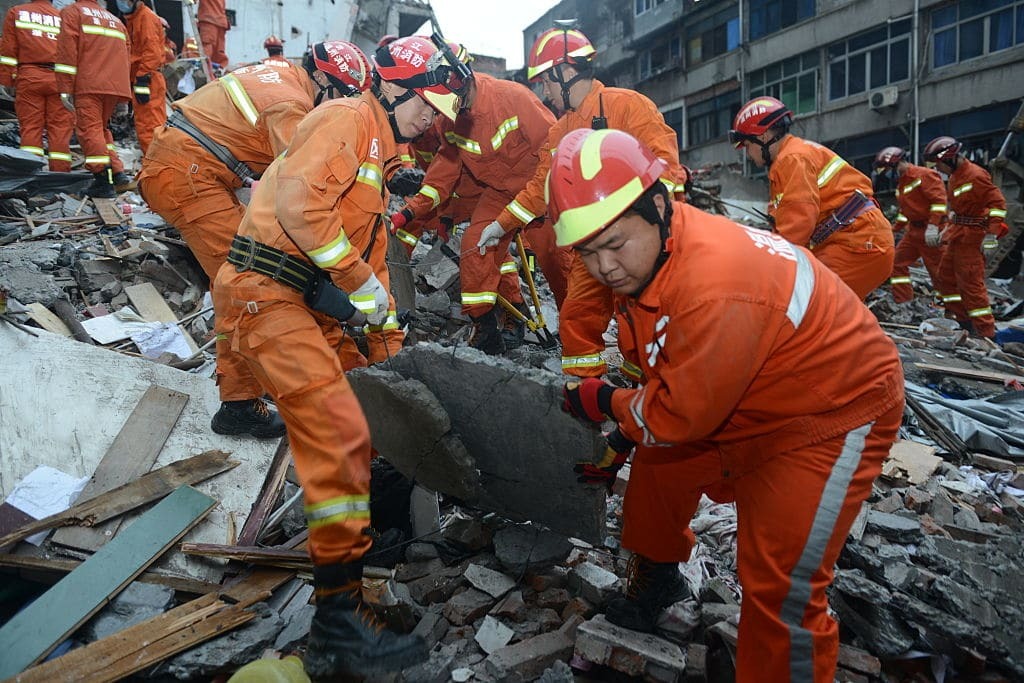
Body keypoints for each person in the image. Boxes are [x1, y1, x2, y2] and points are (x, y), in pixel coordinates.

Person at [552, 129, 904, 683]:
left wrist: (605, 403)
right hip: (741, 394)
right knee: (656, 479)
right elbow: (671, 379)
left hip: (827, 411)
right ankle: (658, 581)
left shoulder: (714, 283)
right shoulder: (654, 253)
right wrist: (625, 436)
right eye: (588, 254)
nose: (605, 268)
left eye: (615, 245)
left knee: (780, 584)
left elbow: (676, 416)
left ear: (661, 206)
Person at [212, 36, 459, 678]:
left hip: (300, 300)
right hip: (267, 293)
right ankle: (337, 624)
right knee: (338, 433)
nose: (432, 120)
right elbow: (299, 207)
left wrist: (401, 377)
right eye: (428, 105)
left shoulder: (377, 159)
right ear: (397, 86)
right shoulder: (347, 118)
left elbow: (375, 304)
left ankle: (350, 586)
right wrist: (358, 281)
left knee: (362, 414)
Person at [139, 41, 372, 438]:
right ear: (321, 79)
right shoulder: (291, 108)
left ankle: (240, 401)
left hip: (188, 166)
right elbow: (303, 189)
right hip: (187, 174)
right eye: (338, 96)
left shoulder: (283, 75)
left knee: (238, 281)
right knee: (254, 280)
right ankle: (247, 405)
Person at [481, 25, 689, 379]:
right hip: (591, 247)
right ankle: (585, 398)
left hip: (638, 243)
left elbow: (667, 171)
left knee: (638, 326)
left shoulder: (628, 106)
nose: (544, 93)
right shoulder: (559, 132)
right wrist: (499, 225)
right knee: (576, 318)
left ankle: (642, 398)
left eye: (545, 81)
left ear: (566, 71)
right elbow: (540, 189)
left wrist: (653, 233)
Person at [389, 41, 566, 354]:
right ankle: (485, 328)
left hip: (542, 191)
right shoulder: (448, 118)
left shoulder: (513, 98)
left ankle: (574, 330)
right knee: (475, 244)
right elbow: (444, 170)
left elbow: (555, 148)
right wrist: (414, 211)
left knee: (558, 265)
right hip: (498, 194)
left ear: (459, 79)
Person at [730, 96, 894, 299]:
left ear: (762, 137)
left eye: (747, 145)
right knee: (819, 310)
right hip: (856, 240)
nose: (747, 154)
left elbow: (797, 224)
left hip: (856, 244)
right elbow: (787, 222)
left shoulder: (791, 159)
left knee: (804, 304)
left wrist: (767, 264)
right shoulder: (794, 155)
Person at [923, 135, 1008, 338]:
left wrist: (991, 236)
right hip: (958, 234)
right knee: (945, 278)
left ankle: (987, 334)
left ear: (949, 158)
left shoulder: (976, 175)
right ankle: (963, 322)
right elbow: (958, 208)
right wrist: (945, 228)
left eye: (938, 164)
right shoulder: (954, 177)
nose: (937, 169)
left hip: (973, 238)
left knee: (971, 286)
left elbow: (998, 205)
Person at [54, 0, 133, 198]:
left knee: (89, 129)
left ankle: (101, 180)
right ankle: (117, 172)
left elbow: (67, 51)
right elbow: (126, 54)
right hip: (113, 86)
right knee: (101, 129)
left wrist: (65, 87)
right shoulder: (115, 20)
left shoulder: (73, 12)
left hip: (88, 83)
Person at [0, 0, 75, 171]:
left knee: (31, 128)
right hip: (59, 79)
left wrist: (7, 79)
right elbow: (72, 51)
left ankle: (30, 172)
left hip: (30, 76)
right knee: (60, 130)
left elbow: (8, 50)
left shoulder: (17, 12)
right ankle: (61, 176)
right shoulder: (63, 17)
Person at [874, 145, 951, 303]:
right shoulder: (902, 183)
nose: (887, 173)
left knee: (938, 271)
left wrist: (933, 226)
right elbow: (906, 211)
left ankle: (950, 307)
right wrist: (893, 229)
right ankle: (903, 301)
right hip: (913, 233)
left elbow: (939, 202)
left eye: (888, 169)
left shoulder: (924, 175)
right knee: (896, 263)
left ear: (897, 164)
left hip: (930, 231)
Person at [118, 0, 167, 154]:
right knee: (146, 124)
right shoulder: (135, 19)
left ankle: (156, 164)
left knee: (150, 125)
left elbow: (152, 53)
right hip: (143, 78)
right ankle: (154, 162)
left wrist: (142, 78)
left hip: (148, 79)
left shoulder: (146, 18)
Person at [196, 0, 227, 68]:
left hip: (209, 20)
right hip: (221, 22)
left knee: (208, 46)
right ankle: (218, 70)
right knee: (219, 51)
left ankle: (204, 69)